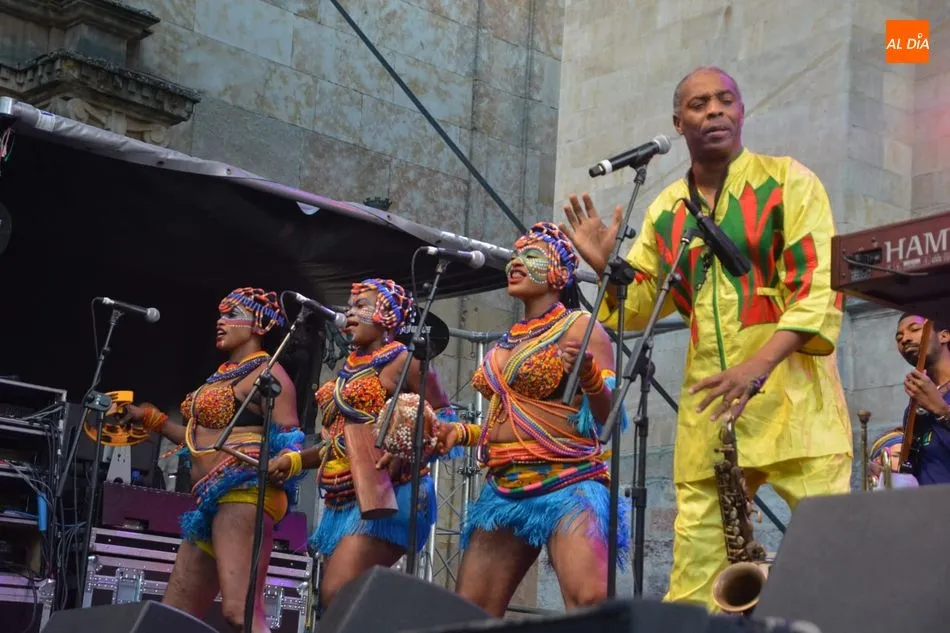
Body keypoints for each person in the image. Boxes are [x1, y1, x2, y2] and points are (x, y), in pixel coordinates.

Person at [561, 66, 853, 611]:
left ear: (742, 112)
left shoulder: (790, 181)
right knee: (695, 586)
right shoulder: (668, 208)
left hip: (799, 412)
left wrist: (754, 368)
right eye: (700, 104)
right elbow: (639, 307)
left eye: (726, 101)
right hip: (711, 419)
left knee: (832, 563)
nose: (714, 111)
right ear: (678, 121)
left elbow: (819, 292)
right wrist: (607, 270)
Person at [437, 222, 628, 617]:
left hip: (567, 482)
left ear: (559, 274)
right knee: (469, 613)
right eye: (514, 256)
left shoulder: (580, 327)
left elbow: (608, 420)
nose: (515, 263)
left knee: (589, 605)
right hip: (504, 488)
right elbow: (509, 421)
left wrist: (592, 379)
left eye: (531, 256)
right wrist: (458, 432)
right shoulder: (510, 338)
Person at [123, 287, 305, 632]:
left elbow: (291, 434)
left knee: (240, 613)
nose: (220, 322)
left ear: (258, 325)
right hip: (210, 500)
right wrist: (153, 420)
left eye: (231, 313)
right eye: (220, 314)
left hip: (244, 492)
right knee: (173, 618)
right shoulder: (224, 373)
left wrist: (288, 459)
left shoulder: (269, 375)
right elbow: (199, 440)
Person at [267, 278, 453, 609]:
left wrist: (405, 450)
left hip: (392, 495)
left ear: (388, 316)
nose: (349, 313)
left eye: (361, 306)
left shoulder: (405, 361)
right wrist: (293, 461)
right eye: (349, 306)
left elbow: (444, 416)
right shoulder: (347, 369)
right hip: (345, 499)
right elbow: (342, 443)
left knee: (337, 592)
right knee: (344, 601)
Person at [892, 314, 950, 484]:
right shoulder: (914, 406)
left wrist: (942, 410)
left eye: (915, 329)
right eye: (899, 337)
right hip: (930, 506)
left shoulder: (930, 400)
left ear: (944, 336)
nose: (905, 339)